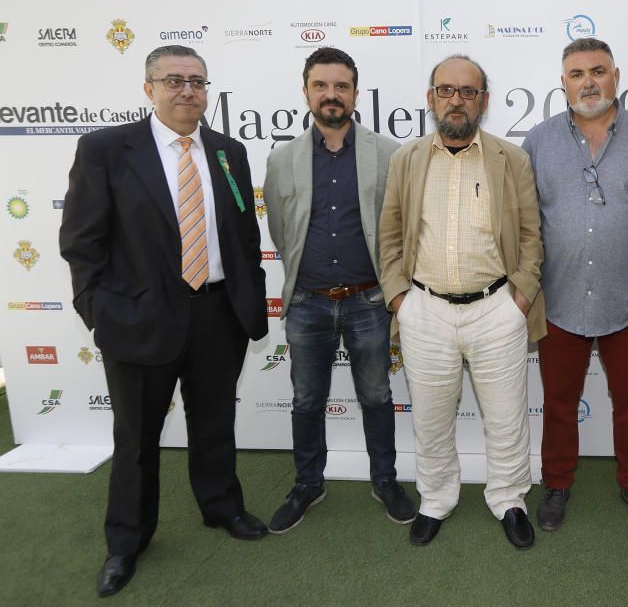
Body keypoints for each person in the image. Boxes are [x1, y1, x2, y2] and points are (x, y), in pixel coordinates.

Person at [59, 45, 269, 597]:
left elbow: (245, 236)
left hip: (217, 313)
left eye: (197, 81)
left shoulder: (229, 151)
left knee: (214, 423)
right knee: (135, 438)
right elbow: (82, 243)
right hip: (138, 318)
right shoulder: (107, 149)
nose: (187, 91)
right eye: (173, 80)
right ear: (148, 87)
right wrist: (100, 313)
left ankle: (222, 508)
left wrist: (247, 298)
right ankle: (126, 541)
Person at [378, 55, 545, 549]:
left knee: (506, 415)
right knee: (429, 415)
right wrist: (399, 299)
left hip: (497, 309)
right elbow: (389, 234)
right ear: (430, 98)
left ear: (484, 102)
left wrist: (519, 297)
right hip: (424, 310)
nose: (457, 99)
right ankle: (435, 499)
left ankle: (510, 499)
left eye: (468, 92)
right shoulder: (406, 160)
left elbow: (533, 236)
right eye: (446, 90)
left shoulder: (510, 159)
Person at [522, 38, 628, 534]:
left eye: (597, 71)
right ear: (562, 83)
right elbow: (529, 218)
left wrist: (623, 258)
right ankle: (556, 484)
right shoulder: (539, 141)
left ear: (616, 76)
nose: (588, 82)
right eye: (576, 74)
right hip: (559, 302)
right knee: (559, 405)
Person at [262, 47, 414, 533]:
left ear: (354, 93)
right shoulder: (282, 158)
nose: (332, 95)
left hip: (369, 301)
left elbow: (398, 229)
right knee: (307, 400)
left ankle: (385, 480)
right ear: (306, 91)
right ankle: (308, 484)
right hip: (307, 303)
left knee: (375, 394)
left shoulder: (388, 154)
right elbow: (282, 233)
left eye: (341, 86)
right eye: (321, 85)